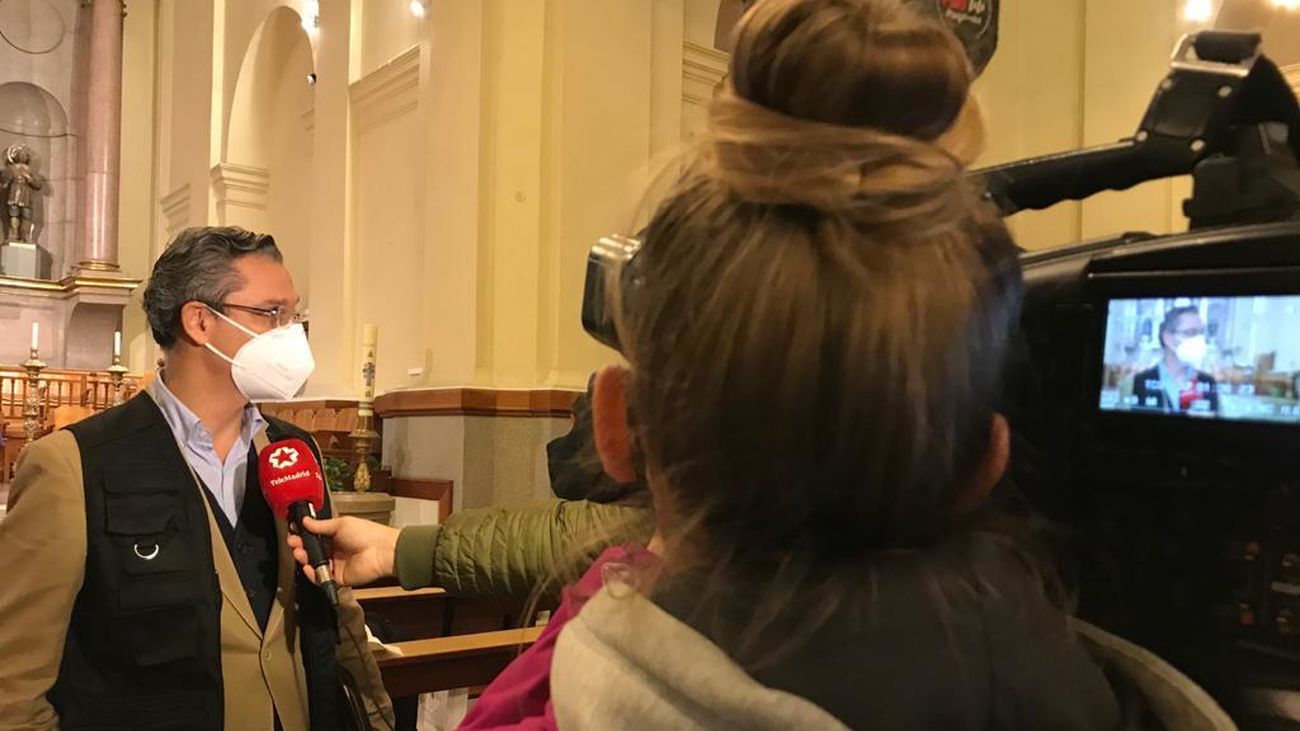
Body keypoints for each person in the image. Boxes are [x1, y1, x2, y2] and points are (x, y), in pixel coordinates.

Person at [0, 227, 393, 731]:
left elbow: (336, 612)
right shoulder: (73, 464)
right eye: (272, 314)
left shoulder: (293, 451)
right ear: (200, 321)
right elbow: (14, 684)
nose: (292, 333)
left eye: (293, 314)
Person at [1132, 306, 1221, 415]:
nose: (1198, 340)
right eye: (1191, 332)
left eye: (1201, 333)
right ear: (1167, 338)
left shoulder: (1207, 382)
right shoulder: (1140, 382)